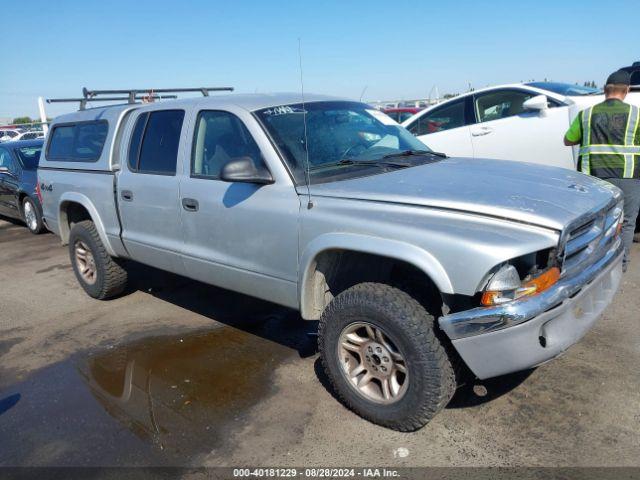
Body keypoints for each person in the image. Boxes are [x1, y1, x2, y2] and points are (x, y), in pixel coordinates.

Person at [564, 70, 640, 272]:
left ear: (605, 90)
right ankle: (619, 265)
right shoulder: (636, 114)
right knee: (627, 222)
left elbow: (568, 140)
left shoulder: (586, 115)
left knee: (594, 224)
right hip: (627, 176)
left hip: (593, 178)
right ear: (627, 90)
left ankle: (592, 267)